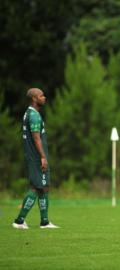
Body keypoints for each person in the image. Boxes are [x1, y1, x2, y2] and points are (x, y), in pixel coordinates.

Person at [12, 88, 59, 229]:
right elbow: (36, 137)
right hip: (36, 158)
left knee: (43, 187)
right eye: (41, 96)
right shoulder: (34, 116)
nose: (44, 97)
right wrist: (43, 157)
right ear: (34, 99)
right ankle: (19, 221)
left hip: (33, 156)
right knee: (36, 187)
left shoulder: (29, 113)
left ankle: (44, 222)